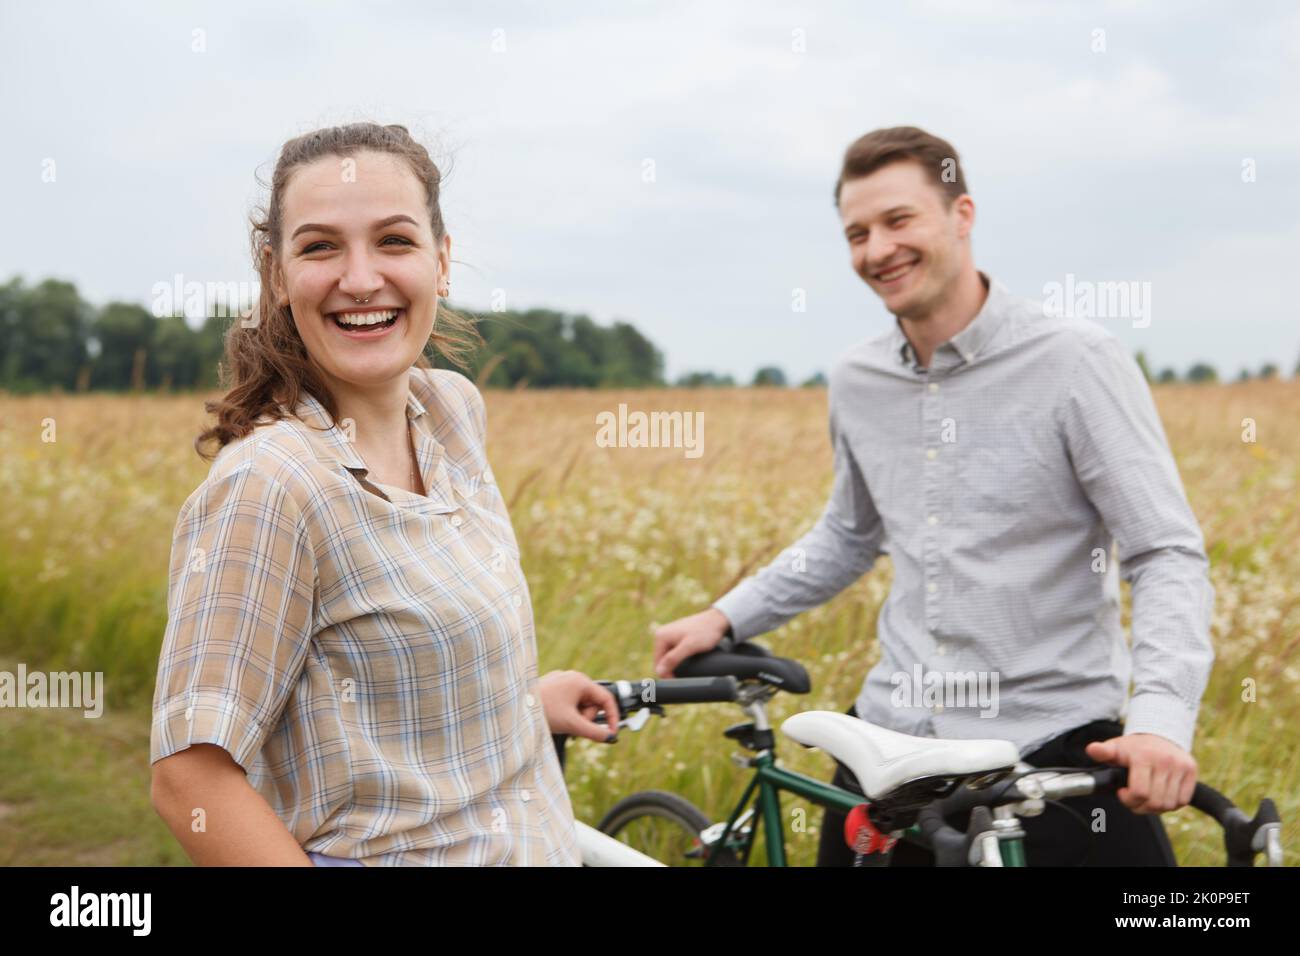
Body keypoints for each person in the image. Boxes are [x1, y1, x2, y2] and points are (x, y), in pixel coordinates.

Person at [652, 126, 1215, 866]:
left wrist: (1160, 723)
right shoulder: (857, 380)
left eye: (898, 220)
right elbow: (849, 536)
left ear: (963, 214)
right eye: (857, 233)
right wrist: (727, 614)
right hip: (886, 761)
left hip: (1046, 757)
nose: (876, 249)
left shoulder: (1077, 362)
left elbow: (1164, 550)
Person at [149, 122, 618, 866]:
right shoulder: (270, 484)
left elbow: (395, 653)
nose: (360, 278)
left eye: (394, 241)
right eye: (320, 246)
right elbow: (190, 780)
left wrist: (522, 703)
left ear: (443, 260)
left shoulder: (451, 411)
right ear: (277, 274)